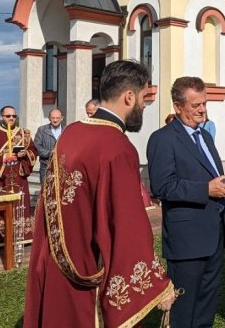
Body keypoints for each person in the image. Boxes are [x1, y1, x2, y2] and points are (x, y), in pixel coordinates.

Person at [24, 60, 176, 327]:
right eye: (143, 98)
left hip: (55, 264)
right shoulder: (117, 147)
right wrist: (156, 284)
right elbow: (126, 225)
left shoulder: (72, 132)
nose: (143, 105)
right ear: (129, 96)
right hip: (89, 272)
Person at [148, 76, 225, 328]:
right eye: (195, 105)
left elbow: (211, 176)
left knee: (206, 304)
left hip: (215, 233)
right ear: (177, 106)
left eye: (204, 104)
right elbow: (162, 186)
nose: (202, 110)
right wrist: (206, 189)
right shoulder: (162, 139)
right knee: (184, 309)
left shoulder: (205, 137)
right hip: (187, 239)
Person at [0, 105, 37, 244]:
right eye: (8, 116)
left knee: (20, 206)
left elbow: (33, 151)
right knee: (0, 208)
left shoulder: (24, 133)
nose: (11, 118)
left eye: (14, 116)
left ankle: (21, 237)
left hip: (19, 178)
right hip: (0, 180)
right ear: (1, 117)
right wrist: (3, 158)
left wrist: (25, 153)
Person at [33, 108, 64, 185]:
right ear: (49, 118)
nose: (55, 120)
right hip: (46, 166)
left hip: (62, 166)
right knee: (45, 191)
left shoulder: (66, 130)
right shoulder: (42, 130)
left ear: (62, 118)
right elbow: (37, 147)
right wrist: (52, 153)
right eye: (53, 118)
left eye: (57, 118)